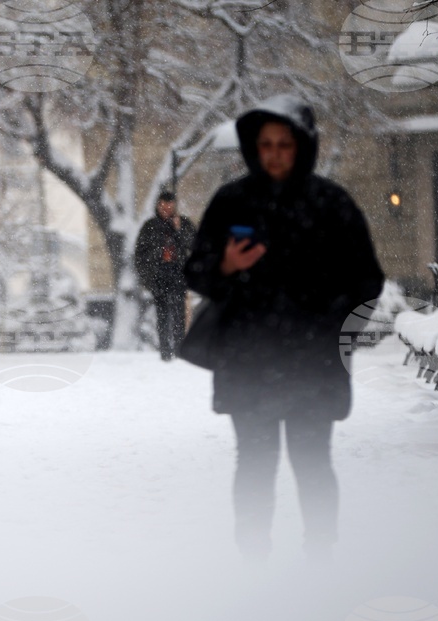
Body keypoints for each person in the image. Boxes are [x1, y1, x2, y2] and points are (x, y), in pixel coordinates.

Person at [183, 94, 384, 561]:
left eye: (284, 144)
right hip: (247, 362)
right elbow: (195, 272)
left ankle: (321, 554)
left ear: (304, 146)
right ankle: (253, 555)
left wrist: (336, 332)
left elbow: (367, 282)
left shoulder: (331, 204)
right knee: (254, 463)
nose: (273, 154)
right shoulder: (232, 201)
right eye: (265, 144)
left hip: (312, 364)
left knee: (312, 463)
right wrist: (226, 266)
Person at [134, 190, 196, 360]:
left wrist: (178, 230)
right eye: (163, 205)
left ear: (175, 206)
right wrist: (147, 278)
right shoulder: (150, 227)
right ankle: (165, 352)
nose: (166, 209)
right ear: (158, 205)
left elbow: (193, 246)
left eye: (170, 205)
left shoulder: (183, 224)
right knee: (162, 315)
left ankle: (179, 350)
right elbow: (140, 254)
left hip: (179, 274)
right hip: (158, 274)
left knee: (178, 314)